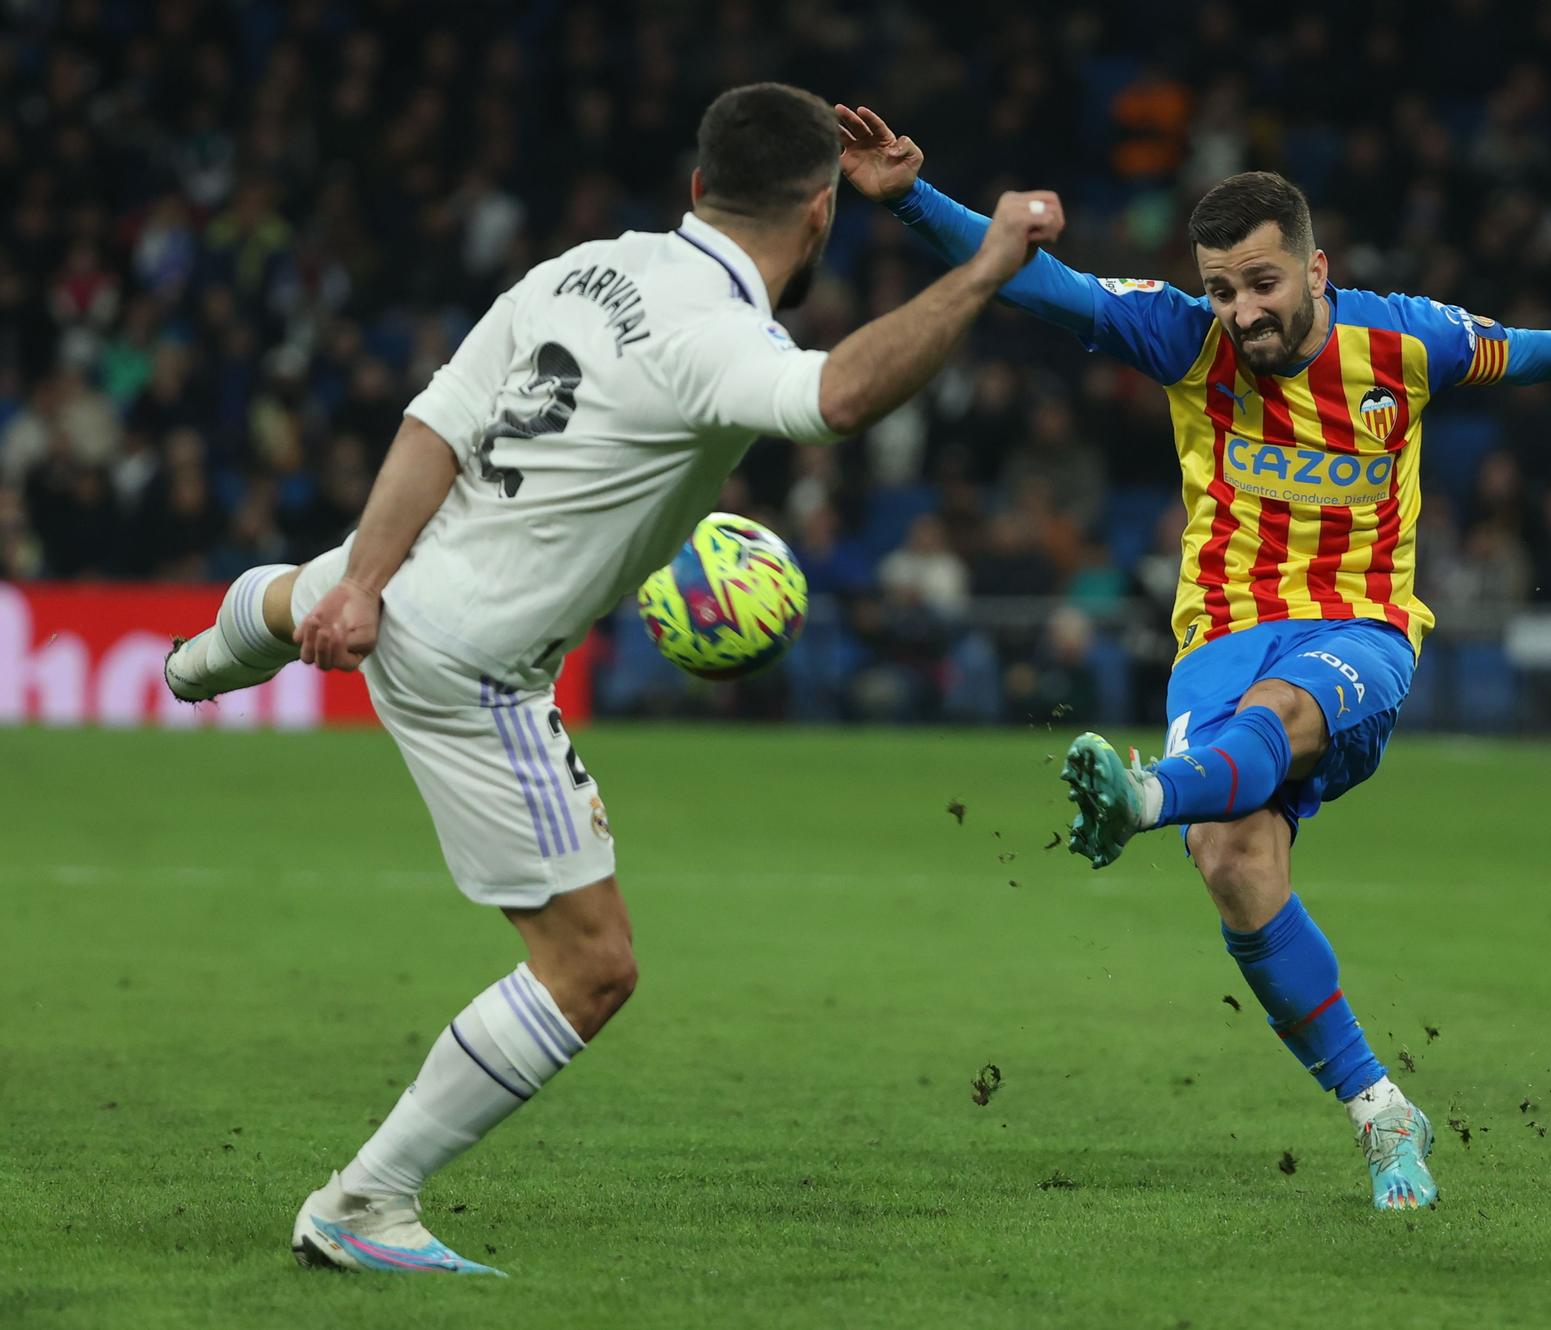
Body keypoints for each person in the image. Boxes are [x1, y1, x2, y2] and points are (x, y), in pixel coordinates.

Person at [161, 84, 1064, 1276]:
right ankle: (363, 1203)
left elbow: (435, 425)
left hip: (414, 572)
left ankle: (200, 658)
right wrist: (985, 261)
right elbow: (838, 395)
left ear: (697, 188)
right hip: (477, 668)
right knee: (592, 968)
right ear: (818, 214)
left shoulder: (575, 269)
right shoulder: (717, 340)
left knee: (307, 590)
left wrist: (364, 586)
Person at [837, 103, 1551, 1212]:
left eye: (1261, 283)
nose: (1241, 311)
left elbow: (1527, 349)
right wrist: (912, 196)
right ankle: (1379, 1110)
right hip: (1215, 637)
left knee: (1270, 718)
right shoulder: (1181, 340)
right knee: (1231, 863)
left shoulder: (1404, 341)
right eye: (1220, 287)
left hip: (1357, 631)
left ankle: (1145, 793)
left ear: (1316, 267)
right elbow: (1032, 279)